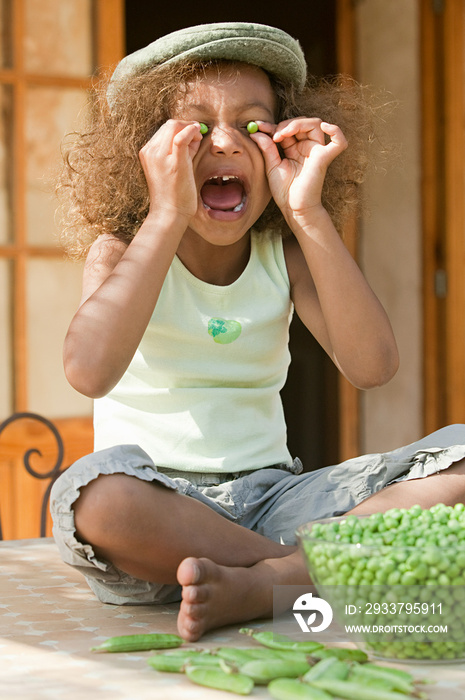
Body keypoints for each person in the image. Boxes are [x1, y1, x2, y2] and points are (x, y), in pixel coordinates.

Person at [51, 22, 465, 642]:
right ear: (151, 151)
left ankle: (269, 582)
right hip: (163, 524)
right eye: (195, 127)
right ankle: (306, 573)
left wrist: (308, 214)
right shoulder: (121, 253)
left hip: (276, 504)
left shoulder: (284, 253)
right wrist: (166, 213)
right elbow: (87, 372)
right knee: (96, 499)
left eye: (252, 125)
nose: (225, 143)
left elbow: (373, 366)